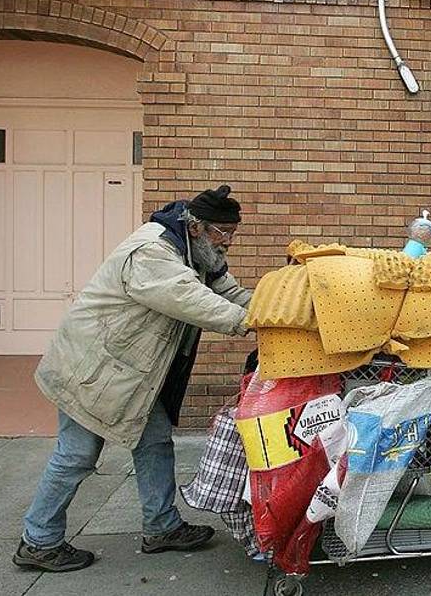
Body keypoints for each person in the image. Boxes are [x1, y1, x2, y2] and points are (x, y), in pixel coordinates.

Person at [13, 185, 253, 572]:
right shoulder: (153, 253)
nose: (227, 244)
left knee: (155, 442)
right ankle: (38, 541)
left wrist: (278, 314)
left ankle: (162, 527)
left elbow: (230, 293)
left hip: (132, 374)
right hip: (94, 369)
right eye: (221, 234)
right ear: (196, 228)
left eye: (232, 235)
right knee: (75, 455)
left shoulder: (198, 253)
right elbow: (192, 300)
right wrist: (253, 323)